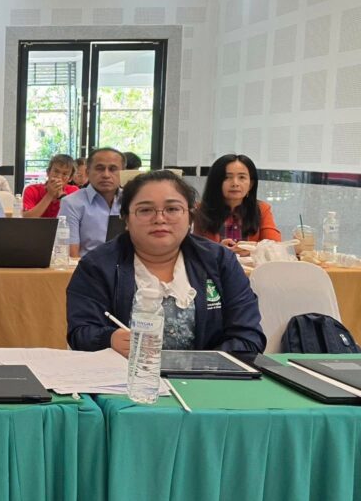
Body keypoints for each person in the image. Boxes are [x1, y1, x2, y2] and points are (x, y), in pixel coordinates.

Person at [66, 170, 265, 355]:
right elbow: (80, 333)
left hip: (209, 377)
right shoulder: (97, 265)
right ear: (126, 219)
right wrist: (108, 339)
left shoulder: (219, 261)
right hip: (124, 376)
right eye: (145, 210)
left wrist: (204, 366)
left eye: (172, 209)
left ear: (190, 217)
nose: (160, 219)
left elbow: (248, 336)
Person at [194, 154, 280, 251]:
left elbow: (274, 246)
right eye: (227, 177)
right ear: (216, 182)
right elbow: (195, 248)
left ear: (251, 184)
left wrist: (252, 249)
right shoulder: (201, 210)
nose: (235, 183)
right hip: (216, 261)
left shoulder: (262, 209)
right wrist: (218, 250)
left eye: (242, 177)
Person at [58, 148, 125, 257]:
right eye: (99, 168)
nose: (106, 175)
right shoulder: (71, 203)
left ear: (123, 173)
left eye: (113, 169)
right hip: (88, 266)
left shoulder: (133, 200)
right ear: (88, 172)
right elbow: (71, 256)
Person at [23, 154, 79, 218]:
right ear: (48, 172)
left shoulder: (74, 192)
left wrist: (62, 197)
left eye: (65, 174)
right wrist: (50, 194)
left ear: (70, 178)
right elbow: (27, 218)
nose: (59, 176)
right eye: (56, 171)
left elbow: (76, 218)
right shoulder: (32, 190)